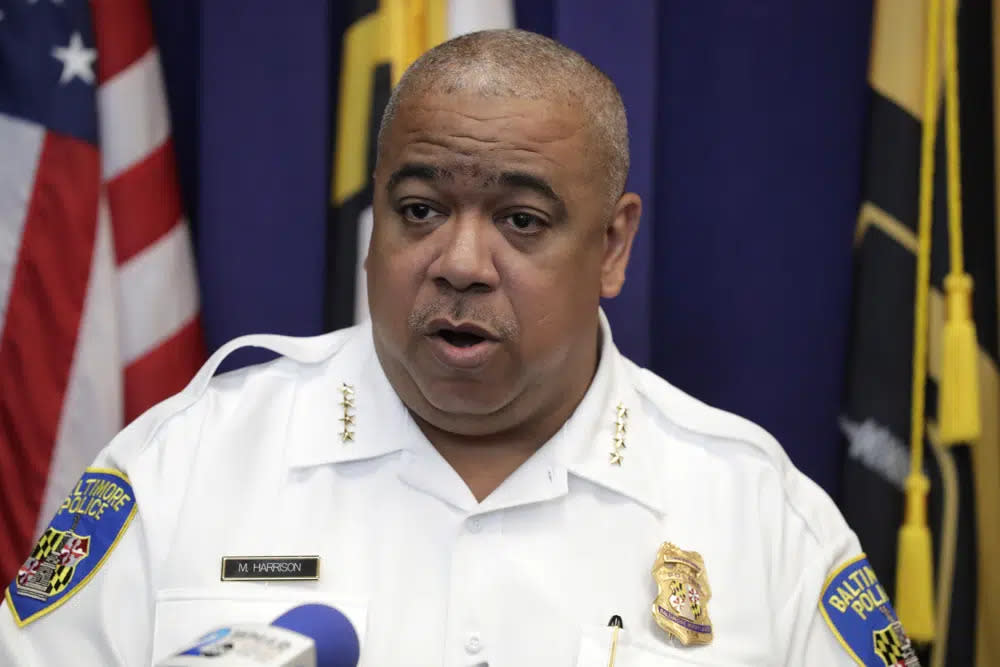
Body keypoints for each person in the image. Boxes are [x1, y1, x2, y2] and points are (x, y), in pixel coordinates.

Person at [1, 29, 917, 666]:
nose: (460, 263)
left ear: (611, 245)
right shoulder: (185, 466)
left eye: (521, 220)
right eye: (420, 210)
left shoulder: (758, 516)